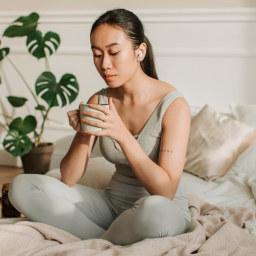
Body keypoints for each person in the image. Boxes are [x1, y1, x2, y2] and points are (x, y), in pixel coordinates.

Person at [8, 8, 191, 246]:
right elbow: (68, 178)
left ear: (140, 51)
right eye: (96, 54)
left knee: (154, 211)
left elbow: (165, 192)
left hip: (160, 210)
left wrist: (123, 136)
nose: (105, 64)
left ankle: (93, 242)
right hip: (111, 206)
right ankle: (105, 241)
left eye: (114, 52)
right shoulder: (100, 100)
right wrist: (82, 132)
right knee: (22, 186)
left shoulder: (174, 105)